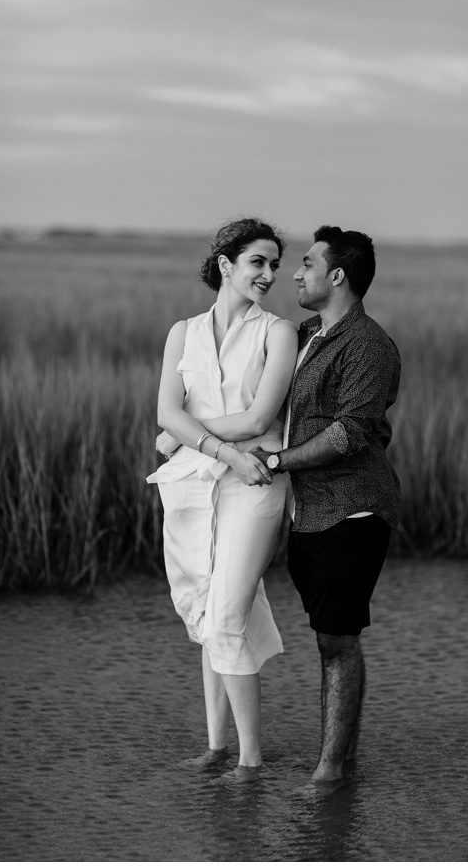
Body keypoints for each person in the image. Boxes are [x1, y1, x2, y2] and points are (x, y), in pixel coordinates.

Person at [146, 217, 298, 784]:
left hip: (255, 482)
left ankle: (250, 760)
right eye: (257, 262)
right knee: (208, 613)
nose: (268, 274)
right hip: (193, 482)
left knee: (229, 614)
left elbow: (261, 418)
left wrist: (189, 432)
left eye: (275, 266)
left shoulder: (278, 332)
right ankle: (215, 747)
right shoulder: (181, 332)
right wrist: (209, 445)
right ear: (226, 264)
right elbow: (166, 414)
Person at [247, 226, 401, 787]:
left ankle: (329, 774)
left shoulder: (368, 345)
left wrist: (278, 462)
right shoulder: (306, 333)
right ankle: (343, 764)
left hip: (354, 511)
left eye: (307, 264)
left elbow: (350, 434)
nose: (295, 272)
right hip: (310, 513)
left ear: (337, 275)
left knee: (338, 641)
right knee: (330, 638)